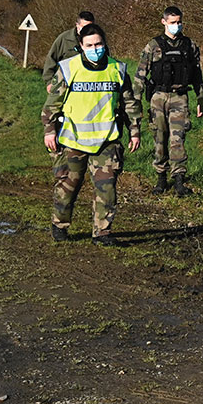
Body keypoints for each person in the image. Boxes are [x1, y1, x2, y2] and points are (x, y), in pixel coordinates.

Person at [42, 22, 142, 245]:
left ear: (105, 44)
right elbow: (51, 105)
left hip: (106, 140)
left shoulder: (118, 69)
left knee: (107, 189)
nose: (95, 48)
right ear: (81, 45)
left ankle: (102, 233)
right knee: (68, 186)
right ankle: (60, 226)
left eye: (98, 44)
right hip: (72, 140)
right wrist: (49, 131)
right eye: (89, 44)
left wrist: (134, 131)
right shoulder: (68, 68)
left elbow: (130, 103)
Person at [136, 6, 203, 197]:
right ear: (164, 22)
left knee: (178, 138)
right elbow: (140, 74)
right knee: (160, 137)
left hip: (180, 97)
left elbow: (197, 74)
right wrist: (135, 103)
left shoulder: (189, 46)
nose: (177, 25)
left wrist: (201, 98)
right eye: (173, 22)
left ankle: (179, 181)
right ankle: (161, 178)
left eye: (179, 22)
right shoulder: (153, 45)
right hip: (158, 97)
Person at [42, 10, 95, 93]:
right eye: (84, 27)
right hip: (66, 85)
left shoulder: (97, 40)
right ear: (77, 25)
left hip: (90, 85)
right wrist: (49, 81)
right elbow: (51, 59)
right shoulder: (64, 38)